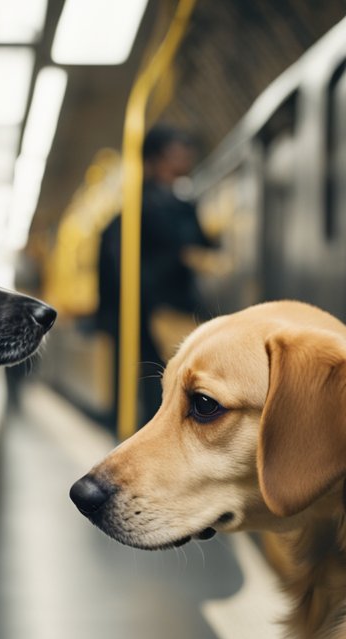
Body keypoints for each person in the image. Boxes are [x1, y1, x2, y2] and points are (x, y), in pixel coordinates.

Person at [97, 125, 211, 425]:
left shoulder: (161, 203)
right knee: (159, 386)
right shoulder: (148, 207)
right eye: (176, 153)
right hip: (155, 310)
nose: (185, 159)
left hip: (159, 310)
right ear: (155, 160)